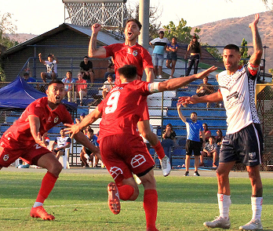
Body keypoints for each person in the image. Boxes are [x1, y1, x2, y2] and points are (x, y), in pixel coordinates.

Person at [64, 64, 216, 231]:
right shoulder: (138, 86)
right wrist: (195, 76)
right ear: (138, 76)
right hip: (125, 137)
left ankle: (117, 191)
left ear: (119, 77)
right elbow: (167, 85)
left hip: (105, 142)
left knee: (132, 192)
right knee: (149, 182)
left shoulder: (111, 93)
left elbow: (93, 115)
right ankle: (151, 227)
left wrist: (77, 128)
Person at [0, 80, 100, 221]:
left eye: (61, 90)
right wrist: (38, 138)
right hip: (13, 141)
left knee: (55, 167)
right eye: (54, 89)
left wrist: (94, 149)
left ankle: (37, 207)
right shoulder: (37, 105)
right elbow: (34, 124)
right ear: (47, 92)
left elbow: (76, 132)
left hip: (30, 145)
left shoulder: (63, 111)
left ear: (65, 92)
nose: (58, 92)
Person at [180, 14, 264, 230]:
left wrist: (253, 27)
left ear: (238, 57)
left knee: (252, 173)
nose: (227, 59)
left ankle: (256, 220)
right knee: (220, 172)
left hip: (249, 128)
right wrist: (198, 98)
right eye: (225, 56)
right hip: (231, 133)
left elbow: (259, 52)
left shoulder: (247, 72)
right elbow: (220, 96)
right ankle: (224, 218)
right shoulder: (221, 77)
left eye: (231, 56)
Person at [89, 19, 172, 177]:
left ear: (139, 32)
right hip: (118, 95)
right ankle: (136, 169)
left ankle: (163, 157)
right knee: (122, 133)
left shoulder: (142, 52)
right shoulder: (116, 48)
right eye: (128, 26)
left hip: (135, 94)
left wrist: (146, 89)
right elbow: (92, 53)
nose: (130, 28)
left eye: (134, 27)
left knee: (145, 132)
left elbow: (149, 72)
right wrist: (94, 34)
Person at [177, 105, 205, 176]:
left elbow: (202, 132)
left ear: (196, 116)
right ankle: (187, 171)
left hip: (197, 141)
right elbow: (181, 117)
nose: (193, 116)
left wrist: (204, 141)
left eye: (194, 115)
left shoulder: (199, 123)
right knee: (188, 156)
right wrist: (179, 110)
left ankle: (196, 171)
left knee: (196, 157)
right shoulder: (188, 122)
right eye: (192, 115)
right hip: (189, 140)